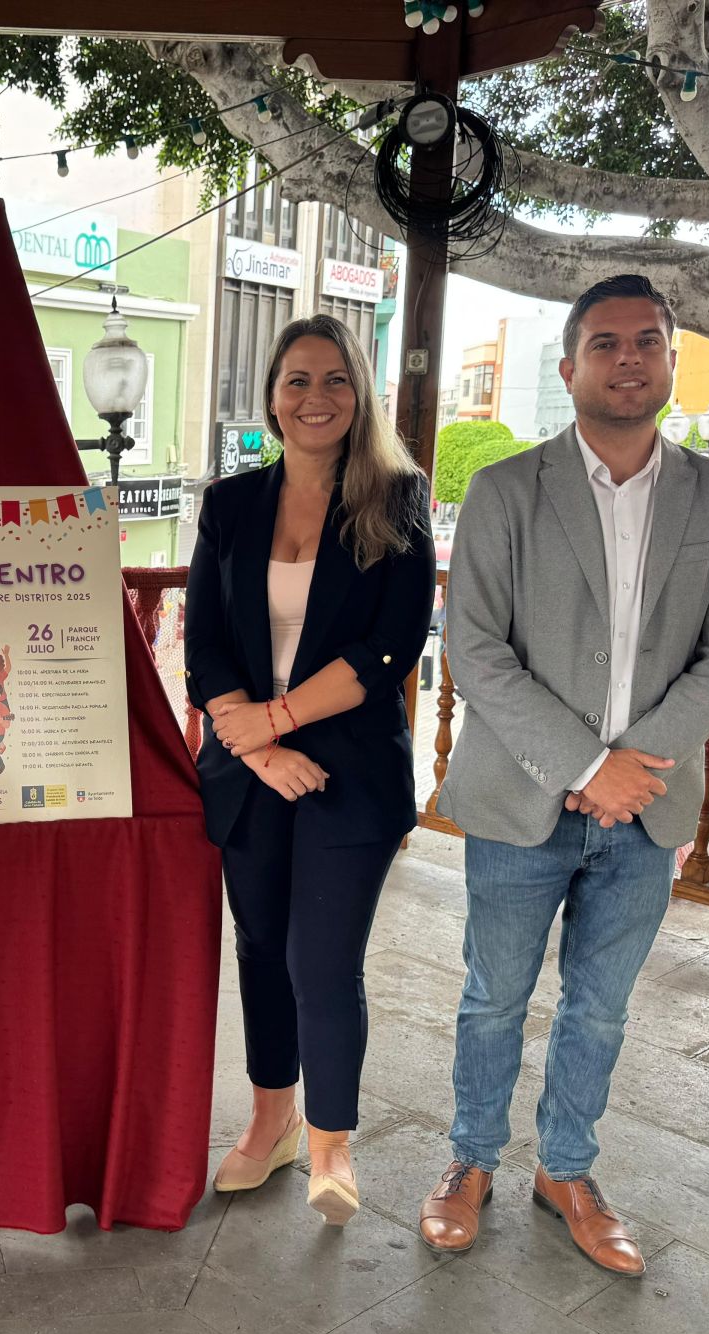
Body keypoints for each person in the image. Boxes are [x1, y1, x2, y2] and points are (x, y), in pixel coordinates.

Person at [423, 275, 709, 1274]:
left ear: (669, 362)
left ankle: (566, 1168)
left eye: (647, 341)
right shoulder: (506, 490)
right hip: (521, 798)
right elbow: (475, 648)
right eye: (605, 343)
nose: (627, 358)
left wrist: (630, 769)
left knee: (601, 1007)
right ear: (568, 367)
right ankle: (471, 1161)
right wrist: (582, 765)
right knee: (493, 996)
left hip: (645, 810)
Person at [184, 314, 436, 1224]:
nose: (315, 397)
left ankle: (331, 1143)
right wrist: (254, 743)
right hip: (249, 768)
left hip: (350, 774)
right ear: (271, 397)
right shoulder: (231, 503)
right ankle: (270, 1123)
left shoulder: (397, 500)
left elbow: (389, 649)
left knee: (320, 962)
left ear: (359, 395)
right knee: (258, 952)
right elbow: (203, 642)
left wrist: (279, 724)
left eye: (335, 380)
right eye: (297, 380)